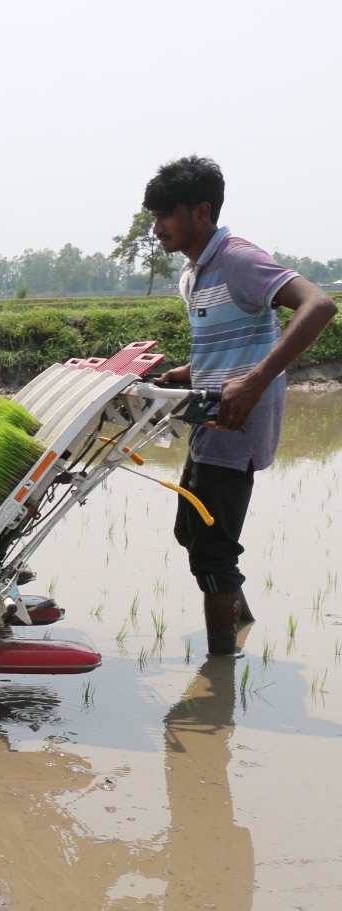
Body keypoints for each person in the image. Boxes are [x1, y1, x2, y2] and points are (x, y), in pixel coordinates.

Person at [144, 156, 337, 654]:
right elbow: (232, 340)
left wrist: (253, 383)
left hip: (236, 423)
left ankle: (223, 670)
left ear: (201, 212)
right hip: (210, 416)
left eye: (167, 214)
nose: (157, 226)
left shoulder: (237, 258)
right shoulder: (194, 275)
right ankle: (239, 615)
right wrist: (188, 373)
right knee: (192, 529)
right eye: (154, 215)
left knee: (211, 549)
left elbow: (319, 305)